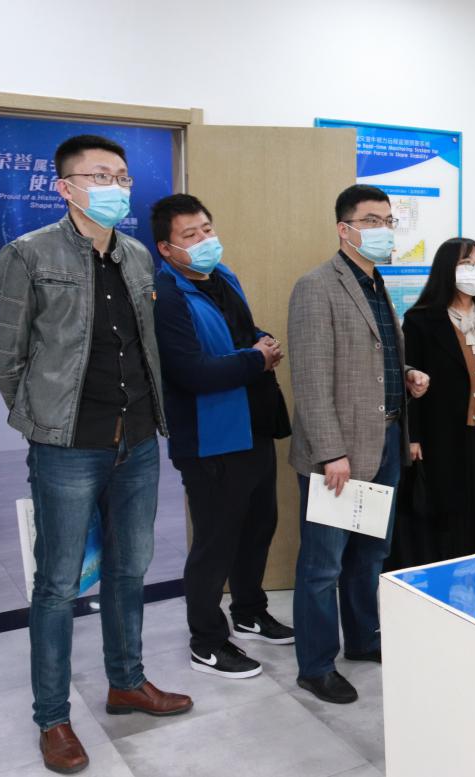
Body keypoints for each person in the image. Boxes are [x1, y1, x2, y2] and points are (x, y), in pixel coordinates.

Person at [0, 135, 192, 774]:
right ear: (65, 187)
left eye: (122, 176)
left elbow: (144, 346)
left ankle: (126, 682)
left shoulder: (136, 255)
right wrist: (43, 419)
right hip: (68, 447)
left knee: (129, 570)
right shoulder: (27, 254)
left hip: (137, 442)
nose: (116, 187)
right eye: (100, 175)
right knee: (57, 583)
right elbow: (3, 356)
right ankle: (53, 717)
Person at [288, 184, 430, 704]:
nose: (383, 230)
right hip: (340, 453)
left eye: (388, 220)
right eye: (372, 220)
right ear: (344, 229)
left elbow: (369, 359)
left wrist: (406, 374)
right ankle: (316, 665)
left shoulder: (376, 283)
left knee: (370, 554)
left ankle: (364, 638)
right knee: (323, 565)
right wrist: (331, 452)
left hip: (385, 439)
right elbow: (310, 379)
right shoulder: (316, 286)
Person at [151, 194, 294, 681]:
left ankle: (249, 611)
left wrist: (262, 341)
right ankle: (207, 641)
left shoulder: (223, 276)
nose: (204, 241)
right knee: (215, 542)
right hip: (210, 438)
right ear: (166, 248)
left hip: (252, 425)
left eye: (207, 230)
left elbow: (240, 332)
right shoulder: (167, 296)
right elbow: (191, 371)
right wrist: (256, 358)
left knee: (258, 526)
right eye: (190, 235)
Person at [403, 238, 475, 560]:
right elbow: (409, 380)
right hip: (442, 433)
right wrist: (413, 436)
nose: (474, 270)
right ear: (447, 269)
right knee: (448, 512)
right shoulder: (421, 320)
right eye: (466, 263)